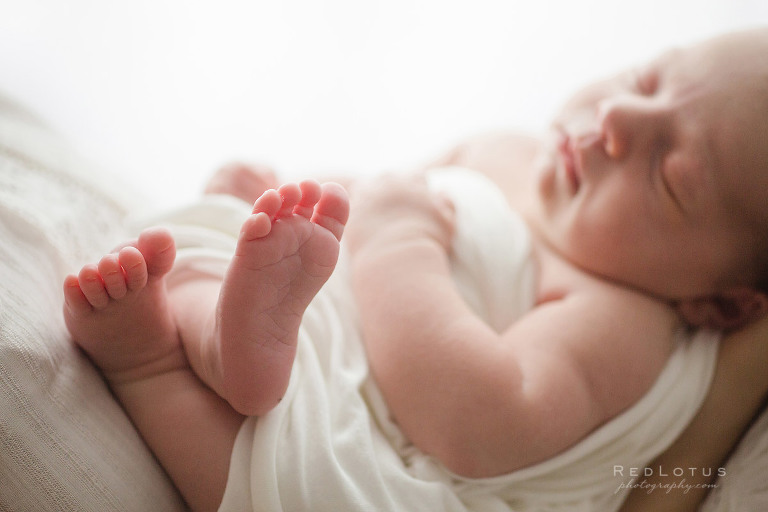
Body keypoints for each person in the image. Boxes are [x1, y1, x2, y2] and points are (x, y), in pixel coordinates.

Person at [62, 27, 768, 512]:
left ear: (720, 305)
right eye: (645, 80)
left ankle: (149, 364)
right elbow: (378, 198)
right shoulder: (509, 150)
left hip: (402, 453)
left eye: (670, 177)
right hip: (334, 334)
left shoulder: (620, 317)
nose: (619, 118)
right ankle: (222, 340)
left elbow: (480, 423)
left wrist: (400, 240)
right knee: (209, 250)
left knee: (309, 482)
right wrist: (289, 200)